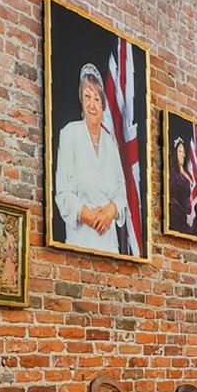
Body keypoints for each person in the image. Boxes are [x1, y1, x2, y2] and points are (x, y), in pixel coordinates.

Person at [52, 63, 128, 254]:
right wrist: (89, 216)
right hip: (80, 241)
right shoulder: (69, 134)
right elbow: (63, 193)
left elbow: (121, 192)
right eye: (87, 97)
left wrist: (112, 209)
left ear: (103, 105)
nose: (92, 105)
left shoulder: (111, 145)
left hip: (110, 244)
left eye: (96, 99)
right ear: (81, 99)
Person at [169, 135, 197, 237]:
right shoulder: (174, 175)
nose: (183, 155)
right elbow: (172, 201)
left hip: (194, 217)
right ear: (175, 153)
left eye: (183, 151)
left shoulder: (188, 173)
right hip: (182, 220)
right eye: (180, 151)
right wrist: (185, 216)